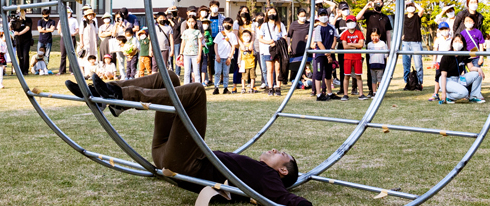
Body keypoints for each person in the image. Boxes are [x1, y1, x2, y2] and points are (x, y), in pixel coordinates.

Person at [64, 72, 310, 206]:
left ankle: (119, 95)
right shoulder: (259, 172)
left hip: (185, 164)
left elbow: (285, 199)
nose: (276, 149)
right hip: (168, 154)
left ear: (283, 171)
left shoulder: (267, 177)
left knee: (195, 92)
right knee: (169, 78)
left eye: (282, 154)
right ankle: (104, 91)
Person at [436, 35, 486, 104]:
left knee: (478, 74)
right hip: (447, 80)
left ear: (463, 43)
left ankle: (474, 96)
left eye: (460, 41)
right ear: (452, 43)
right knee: (464, 92)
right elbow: (443, 76)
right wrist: (443, 93)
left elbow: (471, 68)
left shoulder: (464, 54)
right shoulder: (447, 56)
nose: (458, 43)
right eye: (456, 41)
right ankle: (448, 96)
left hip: (458, 78)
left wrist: (478, 69)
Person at [257, 8, 288, 96]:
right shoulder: (264, 25)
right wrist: (269, 42)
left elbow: (284, 37)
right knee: (269, 69)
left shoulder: (280, 24)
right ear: (267, 14)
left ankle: (278, 87)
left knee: (278, 69)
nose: (272, 14)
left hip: (278, 49)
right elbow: (260, 38)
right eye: (270, 12)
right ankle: (270, 87)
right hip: (268, 50)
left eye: (273, 12)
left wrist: (279, 42)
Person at [311, 9, 337, 101]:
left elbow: (334, 39)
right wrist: (327, 54)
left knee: (328, 74)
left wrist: (331, 51)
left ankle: (329, 93)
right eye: (321, 15)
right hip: (320, 55)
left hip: (330, 53)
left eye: (324, 14)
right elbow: (319, 42)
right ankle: (319, 94)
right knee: (318, 74)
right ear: (318, 16)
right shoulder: (318, 28)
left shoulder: (331, 27)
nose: (323, 16)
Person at [400, 0, 425, 92]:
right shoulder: (403, 17)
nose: (410, 7)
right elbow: (398, 11)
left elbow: (422, 10)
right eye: (409, 6)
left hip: (416, 43)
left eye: (412, 6)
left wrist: (414, 3)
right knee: (406, 64)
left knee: (418, 65)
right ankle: (407, 83)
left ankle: (419, 83)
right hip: (406, 43)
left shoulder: (416, 17)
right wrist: (405, 3)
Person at [338, 16, 365, 99]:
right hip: (347, 58)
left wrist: (350, 45)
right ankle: (345, 94)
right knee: (346, 76)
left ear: (355, 23)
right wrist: (355, 46)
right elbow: (344, 46)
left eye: (352, 21)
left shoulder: (359, 33)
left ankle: (361, 94)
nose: (350, 23)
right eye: (348, 22)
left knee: (358, 76)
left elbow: (361, 44)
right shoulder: (345, 33)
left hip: (357, 58)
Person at [212, 19, 238, 94]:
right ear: (223, 24)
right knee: (217, 72)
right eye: (226, 23)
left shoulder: (232, 35)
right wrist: (217, 55)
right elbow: (215, 44)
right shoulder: (220, 34)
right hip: (219, 57)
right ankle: (216, 87)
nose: (227, 25)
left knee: (226, 73)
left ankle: (225, 88)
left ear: (232, 25)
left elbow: (233, 46)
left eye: (229, 24)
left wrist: (230, 57)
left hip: (227, 57)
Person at [179, 16, 203, 85]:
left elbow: (200, 43)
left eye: (192, 21)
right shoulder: (185, 32)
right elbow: (183, 43)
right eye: (189, 22)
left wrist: (199, 55)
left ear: (195, 22)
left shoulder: (197, 32)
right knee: (187, 72)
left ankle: (198, 85)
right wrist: (181, 54)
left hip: (195, 54)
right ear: (187, 22)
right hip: (186, 54)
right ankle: (186, 85)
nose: (191, 23)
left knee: (196, 72)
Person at [238, 29, 257, 93]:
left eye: (248, 35)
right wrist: (239, 62)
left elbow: (255, 53)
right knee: (243, 77)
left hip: (251, 63)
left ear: (250, 37)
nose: (246, 37)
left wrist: (252, 50)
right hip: (243, 63)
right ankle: (243, 88)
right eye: (244, 35)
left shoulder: (252, 45)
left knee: (252, 77)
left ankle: (251, 87)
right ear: (242, 37)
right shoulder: (241, 45)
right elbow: (239, 55)